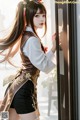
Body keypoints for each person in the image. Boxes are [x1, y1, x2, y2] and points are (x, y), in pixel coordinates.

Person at [0, 0, 56, 120]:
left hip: (17, 88)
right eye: (37, 16)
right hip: (23, 90)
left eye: (43, 15)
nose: (42, 19)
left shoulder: (27, 35)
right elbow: (44, 65)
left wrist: (53, 48)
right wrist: (60, 55)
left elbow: (40, 60)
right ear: (29, 16)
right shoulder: (32, 39)